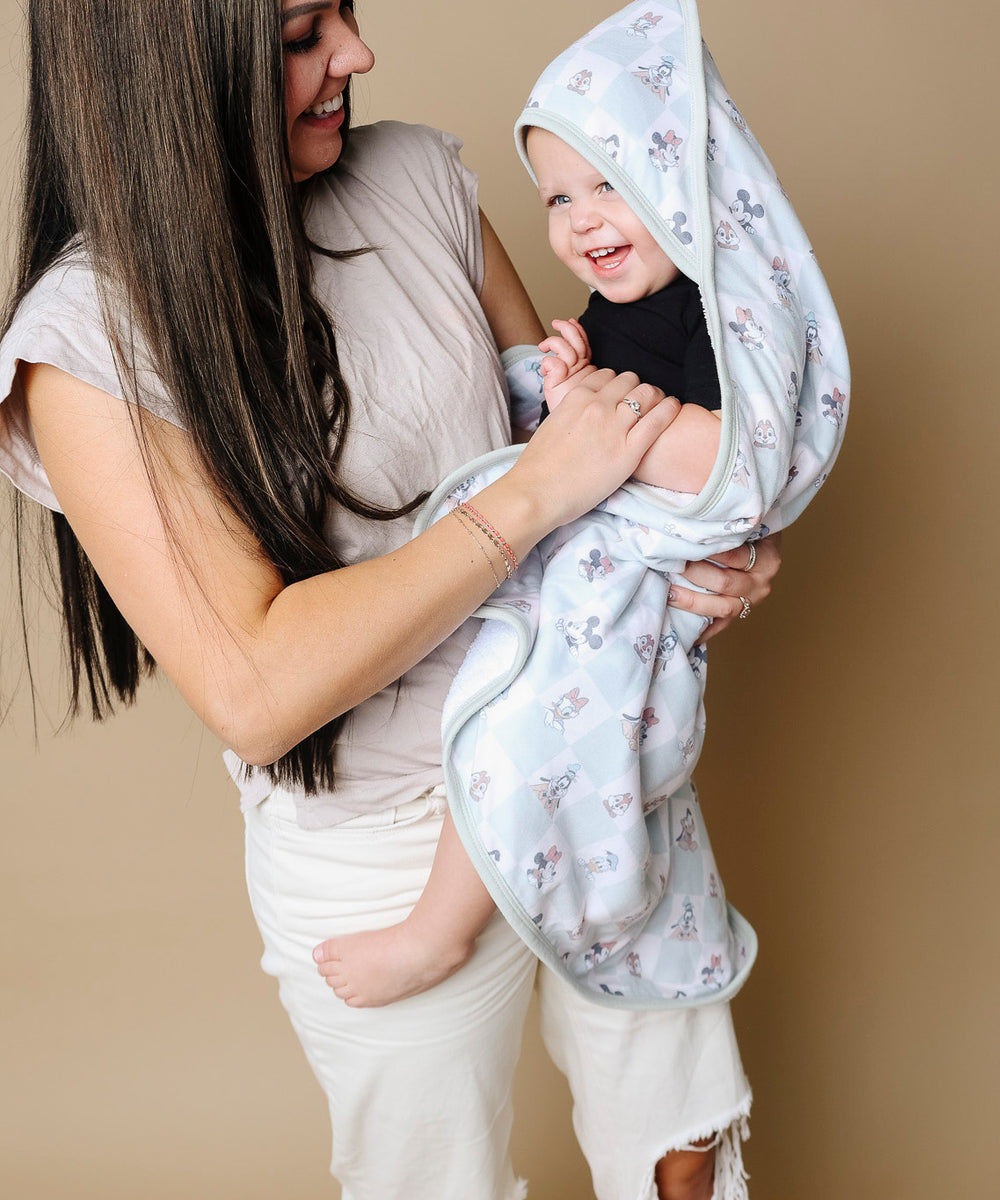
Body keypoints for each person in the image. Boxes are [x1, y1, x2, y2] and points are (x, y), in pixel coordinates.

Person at [0, 2, 781, 1197]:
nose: (357, 56)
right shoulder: (87, 341)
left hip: (589, 750)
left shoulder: (415, 176)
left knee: (680, 1135)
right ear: (173, 72)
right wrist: (531, 498)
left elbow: (588, 446)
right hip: (382, 841)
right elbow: (257, 691)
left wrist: (707, 549)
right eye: (302, 35)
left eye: (345, 16)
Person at [308, 125, 733, 1009]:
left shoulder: (715, 308)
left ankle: (439, 930)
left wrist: (585, 410)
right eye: (559, 200)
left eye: (609, 188)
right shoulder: (619, 298)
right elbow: (573, 432)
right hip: (586, 545)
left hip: (635, 571)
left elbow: (724, 464)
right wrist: (562, 379)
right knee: (508, 693)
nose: (583, 221)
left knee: (527, 728)